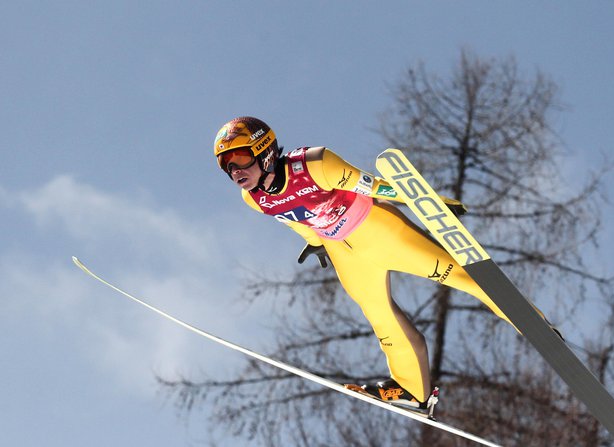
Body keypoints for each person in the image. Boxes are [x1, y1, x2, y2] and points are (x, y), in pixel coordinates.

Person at [213, 116, 520, 412]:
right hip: (343, 252)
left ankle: (530, 321)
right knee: (381, 317)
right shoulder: (254, 199)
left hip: (378, 229)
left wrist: (426, 202)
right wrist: (316, 243)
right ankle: (413, 391)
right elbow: (295, 219)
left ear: (265, 152)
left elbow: (375, 187)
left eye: (239, 157)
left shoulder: (315, 164)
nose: (234, 170)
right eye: (225, 164)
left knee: (459, 276)